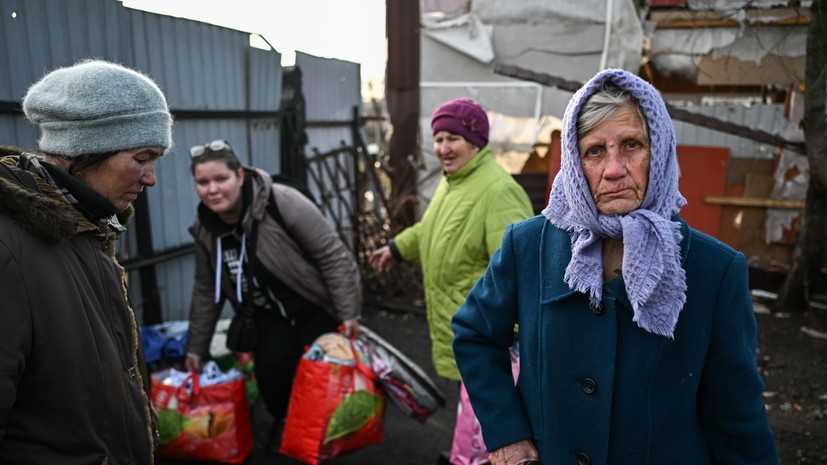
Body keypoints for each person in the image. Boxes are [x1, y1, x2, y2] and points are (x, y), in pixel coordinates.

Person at [451, 69, 778, 465]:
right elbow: (474, 334)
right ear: (574, 161)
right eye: (594, 151)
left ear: (658, 152)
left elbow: (736, 415)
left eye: (631, 145)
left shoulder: (716, 269)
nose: (613, 169)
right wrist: (506, 432)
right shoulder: (529, 245)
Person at [0, 59, 173, 464]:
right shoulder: (10, 248)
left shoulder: (88, 229)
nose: (151, 178)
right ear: (84, 150)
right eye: (142, 157)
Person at [369, 98, 533, 462]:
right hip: (458, 325)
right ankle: (467, 451)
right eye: (438, 138)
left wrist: (514, 337)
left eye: (452, 139)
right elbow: (431, 230)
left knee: (491, 416)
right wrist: (395, 249)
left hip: (487, 337)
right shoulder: (454, 182)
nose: (443, 148)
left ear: (476, 142)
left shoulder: (497, 191)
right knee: (472, 413)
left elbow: (519, 271)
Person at [183, 140, 362, 448]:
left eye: (220, 179)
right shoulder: (206, 228)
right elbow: (205, 290)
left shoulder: (282, 202)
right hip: (266, 313)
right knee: (271, 374)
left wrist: (348, 314)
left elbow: (333, 256)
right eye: (203, 182)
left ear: (239, 176)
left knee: (323, 373)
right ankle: (286, 423)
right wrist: (195, 349)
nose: (212, 189)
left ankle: (327, 434)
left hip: (313, 303)